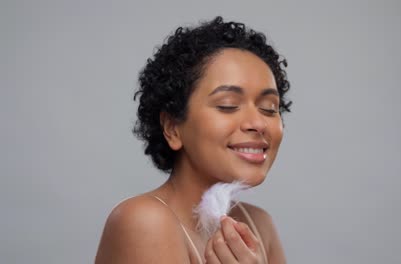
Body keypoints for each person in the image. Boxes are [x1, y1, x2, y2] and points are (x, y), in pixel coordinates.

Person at [95, 16, 291, 264]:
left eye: (269, 108)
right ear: (173, 128)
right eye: (227, 105)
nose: (259, 123)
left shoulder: (260, 225)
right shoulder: (144, 221)